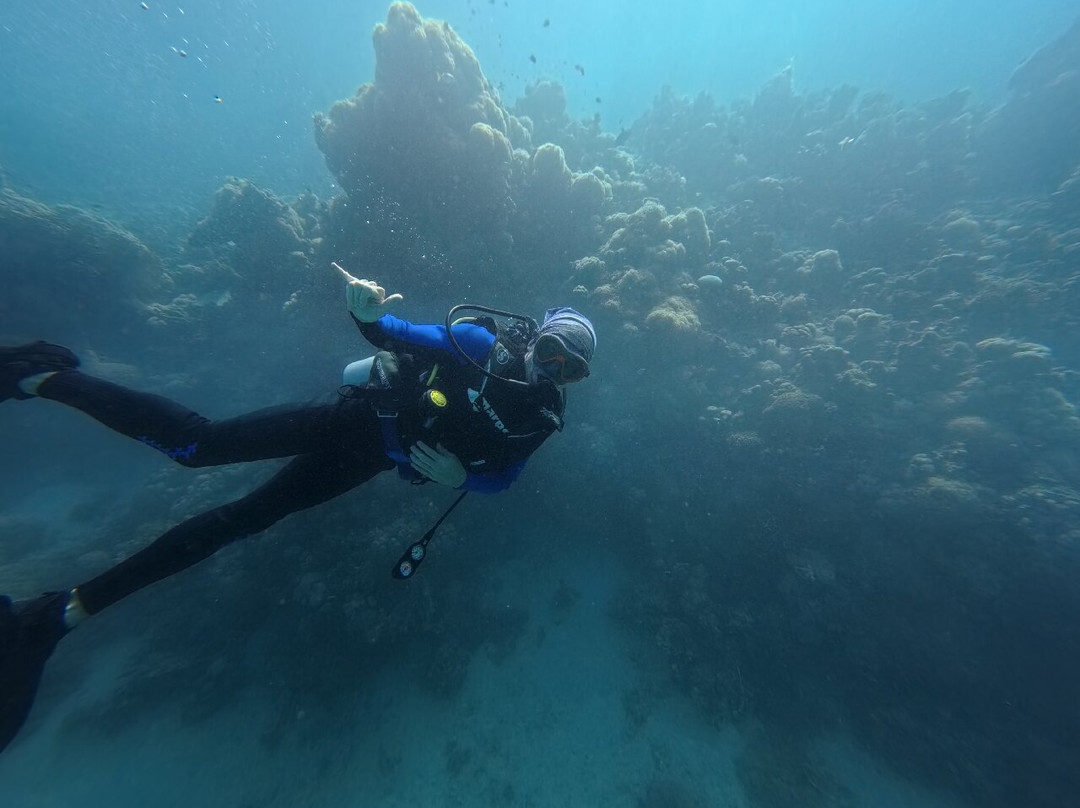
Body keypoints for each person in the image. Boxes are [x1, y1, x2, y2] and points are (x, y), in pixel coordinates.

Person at [0, 263, 596, 753]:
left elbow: (506, 479)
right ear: (536, 337)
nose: (553, 371)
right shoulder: (476, 344)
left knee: (243, 522)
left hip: (366, 460)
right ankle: (42, 376)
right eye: (550, 352)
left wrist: (463, 476)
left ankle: (56, 617)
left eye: (570, 370)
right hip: (352, 418)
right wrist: (366, 312)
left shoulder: (543, 416)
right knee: (199, 447)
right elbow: (396, 333)